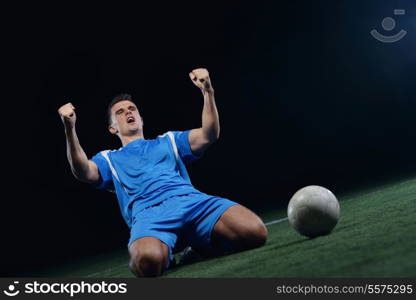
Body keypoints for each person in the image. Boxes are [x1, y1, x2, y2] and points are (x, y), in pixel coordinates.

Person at [58, 68, 268, 277]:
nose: (128, 112)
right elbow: (83, 171)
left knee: (255, 232)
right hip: (149, 215)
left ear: (141, 119)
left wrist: (207, 91)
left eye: (132, 109)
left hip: (192, 202)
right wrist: (70, 127)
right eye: (120, 113)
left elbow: (209, 134)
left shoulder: (169, 140)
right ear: (112, 128)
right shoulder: (108, 159)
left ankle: (197, 247)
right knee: (146, 264)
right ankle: (166, 252)